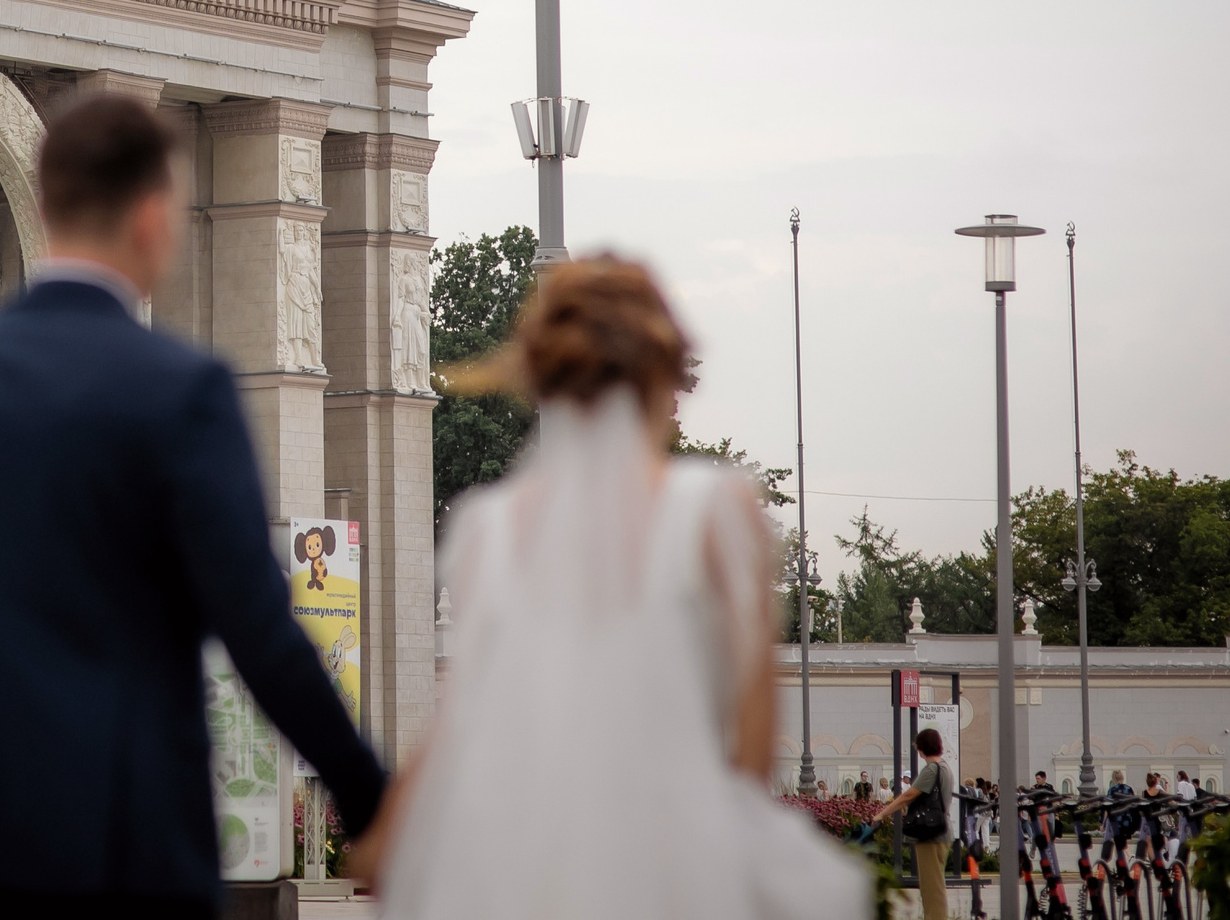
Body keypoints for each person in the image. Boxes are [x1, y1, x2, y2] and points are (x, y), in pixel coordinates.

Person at [0, 95, 386, 920]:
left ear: (45, 208)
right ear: (153, 216)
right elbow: (258, 625)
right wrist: (368, 796)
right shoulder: (182, 390)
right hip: (130, 842)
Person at [357, 256, 867, 920]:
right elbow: (749, 749)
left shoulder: (487, 528)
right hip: (678, 871)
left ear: (542, 376)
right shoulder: (715, 511)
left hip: (515, 874)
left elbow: (456, 726)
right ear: (664, 376)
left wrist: (387, 837)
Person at [876, 726, 956, 920]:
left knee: (931, 888)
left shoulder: (931, 769)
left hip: (930, 835)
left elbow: (909, 795)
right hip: (941, 831)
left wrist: (882, 814)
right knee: (934, 885)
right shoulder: (944, 767)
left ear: (921, 748)